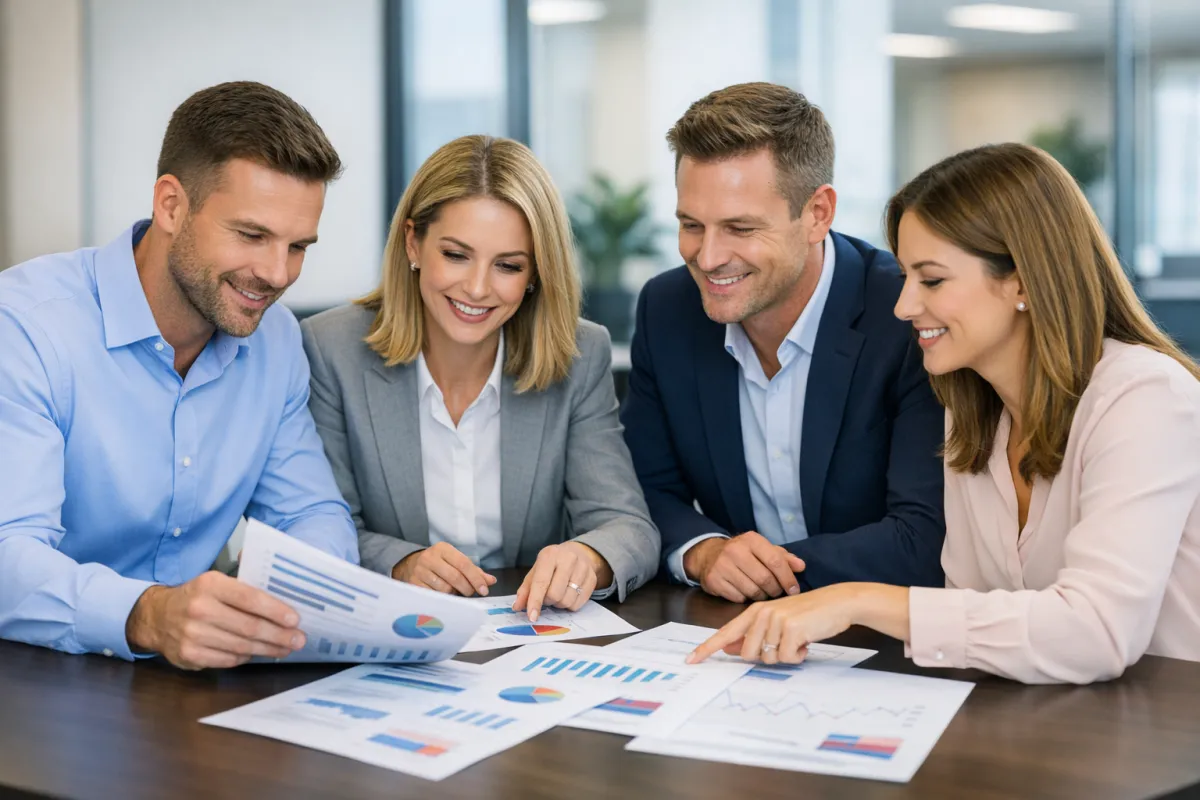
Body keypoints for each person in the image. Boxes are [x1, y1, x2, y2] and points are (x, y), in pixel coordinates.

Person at [689, 143, 1200, 684]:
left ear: (1022, 281)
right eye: (906, 276)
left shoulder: (1144, 397)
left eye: (931, 280)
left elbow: (1096, 631)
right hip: (1062, 728)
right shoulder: (972, 410)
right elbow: (973, 610)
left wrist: (856, 600)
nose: (904, 306)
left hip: (1168, 733)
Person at [0, 81, 359, 670]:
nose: (276, 273)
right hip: (35, 682)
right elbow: (8, 554)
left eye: (298, 246)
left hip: (194, 687)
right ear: (171, 205)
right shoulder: (25, 328)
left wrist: (305, 602)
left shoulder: (277, 340)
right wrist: (149, 613)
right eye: (251, 235)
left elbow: (307, 514)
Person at [300, 134, 659, 620]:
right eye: (455, 255)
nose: (476, 287)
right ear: (413, 242)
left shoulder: (579, 354)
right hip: (394, 631)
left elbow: (627, 526)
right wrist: (401, 563)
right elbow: (317, 524)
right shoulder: (331, 349)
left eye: (507, 266)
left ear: (535, 274)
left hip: (527, 638)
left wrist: (587, 558)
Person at [621, 82, 945, 602]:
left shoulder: (905, 315)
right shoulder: (667, 310)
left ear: (818, 213)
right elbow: (642, 491)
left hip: (885, 641)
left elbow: (923, 537)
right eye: (691, 225)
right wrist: (705, 552)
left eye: (740, 228)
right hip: (733, 639)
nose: (707, 258)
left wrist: (763, 571)